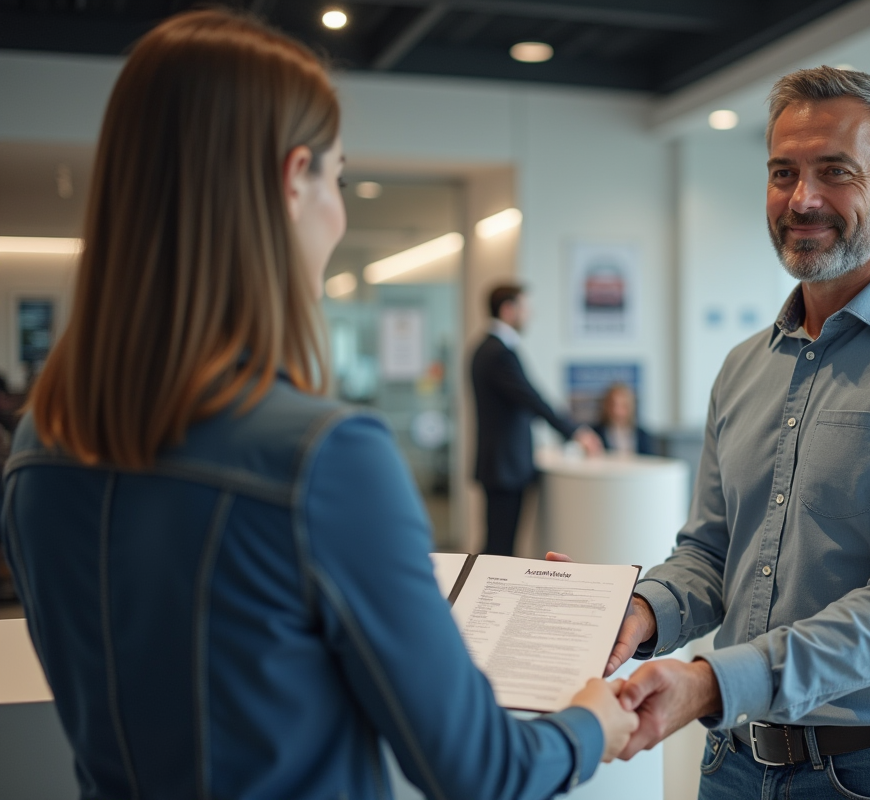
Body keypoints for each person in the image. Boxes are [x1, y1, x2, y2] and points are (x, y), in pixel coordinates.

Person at [0, 11, 635, 800]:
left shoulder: (39, 445)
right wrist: (590, 723)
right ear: (293, 177)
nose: (338, 210)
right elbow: (481, 768)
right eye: (336, 177)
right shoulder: (324, 457)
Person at [602, 67, 870, 798]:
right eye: (784, 173)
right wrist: (639, 612)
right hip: (732, 764)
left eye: (835, 172)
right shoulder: (744, 367)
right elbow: (711, 553)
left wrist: (711, 682)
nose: (802, 199)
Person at [471, 284, 601, 556]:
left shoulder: (487, 349)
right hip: (505, 467)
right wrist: (575, 431)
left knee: (498, 544)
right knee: (499, 549)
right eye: (524, 307)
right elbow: (532, 398)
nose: (529, 314)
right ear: (508, 310)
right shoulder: (498, 353)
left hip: (501, 465)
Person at [595, 383, 655, 456]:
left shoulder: (642, 435)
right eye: (613, 405)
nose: (617, 411)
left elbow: (650, 458)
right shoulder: (595, 434)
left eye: (623, 406)